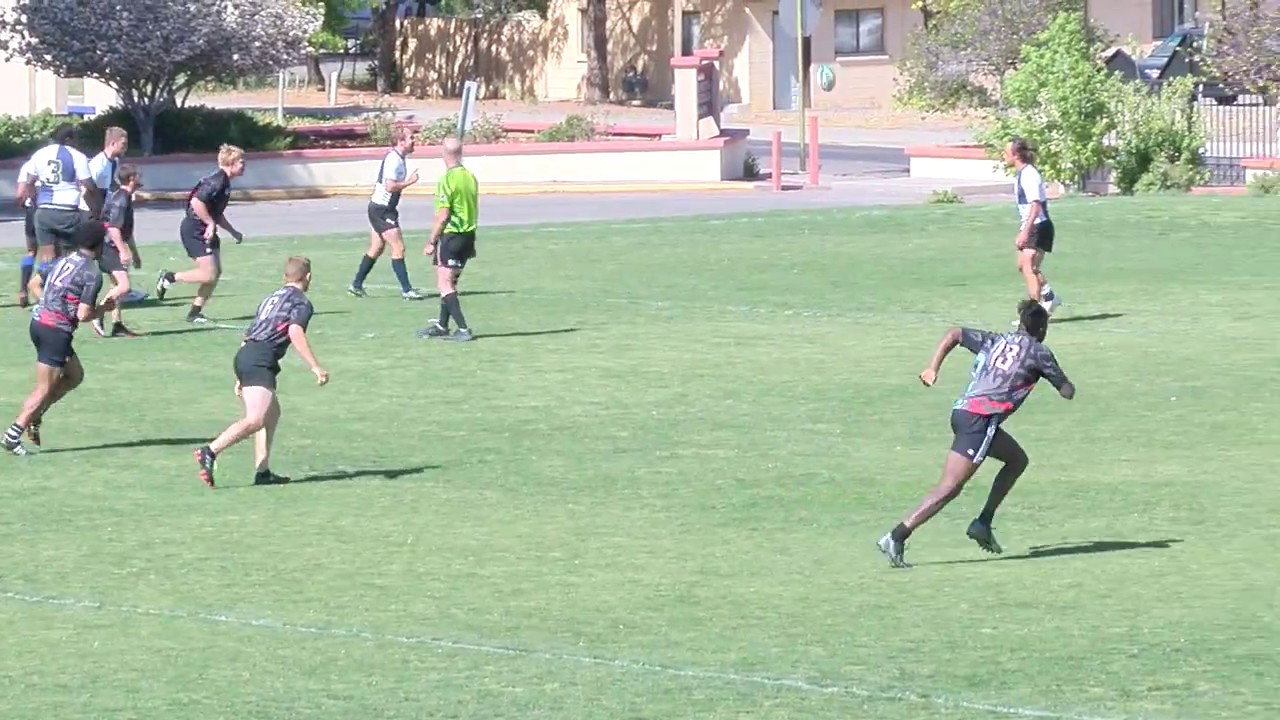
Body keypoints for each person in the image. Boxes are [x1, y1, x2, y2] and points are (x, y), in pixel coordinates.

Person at [876, 300, 1076, 569]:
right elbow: (1067, 391)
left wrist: (932, 368)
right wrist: (1062, 382)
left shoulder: (997, 340)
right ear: (1040, 327)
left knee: (1017, 460)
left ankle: (983, 522)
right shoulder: (1039, 353)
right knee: (949, 487)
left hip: (962, 412)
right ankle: (896, 536)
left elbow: (954, 333)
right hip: (979, 422)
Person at [193, 256, 329, 488]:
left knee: (271, 414)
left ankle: (262, 471)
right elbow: (295, 332)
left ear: (284, 277)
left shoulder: (270, 299)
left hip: (246, 355)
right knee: (255, 419)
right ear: (308, 277)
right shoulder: (301, 303)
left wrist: (240, 376)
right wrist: (315, 366)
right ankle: (210, 451)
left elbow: (251, 332)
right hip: (260, 359)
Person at [2, 222, 115, 456]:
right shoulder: (92, 273)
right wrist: (104, 309)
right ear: (98, 243)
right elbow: (83, 314)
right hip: (55, 331)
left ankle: (37, 415)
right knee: (44, 388)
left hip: (38, 324)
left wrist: (49, 305)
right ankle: (13, 435)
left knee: (74, 375)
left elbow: (34, 284)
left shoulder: (61, 260)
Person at [155, 144, 246, 323]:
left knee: (215, 273)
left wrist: (233, 231)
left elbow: (216, 213)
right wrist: (209, 223)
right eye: (242, 162)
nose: (244, 166)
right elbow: (197, 203)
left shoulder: (225, 183)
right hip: (194, 230)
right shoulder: (217, 181)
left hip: (205, 229)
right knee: (208, 275)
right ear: (231, 162)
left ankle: (195, 312)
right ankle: (170, 277)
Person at [347, 127, 425, 300]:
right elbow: (390, 186)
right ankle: (407, 290)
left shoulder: (399, 158)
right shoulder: (394, 160)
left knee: (376, 248)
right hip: (382, 210)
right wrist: (409, 182)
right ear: (401, 141)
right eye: (411, 138)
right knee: (398, 247)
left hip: (382, 208)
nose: (414, 141)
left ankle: (356, 285)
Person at [418, 136, 479, 342]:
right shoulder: (470, 177)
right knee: (450, 280)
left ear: (443, 153)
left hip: (452, 236)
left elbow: (443, 215)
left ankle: (463, 329)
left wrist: (431, 241)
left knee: (444, 284)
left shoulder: (447, 180)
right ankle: (442, 325)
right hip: (468, 236)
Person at [24, 124, 94, 301]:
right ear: (69, 139)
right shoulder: (76, 156)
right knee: (70, 258)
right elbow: (88, 184)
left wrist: (33, 200)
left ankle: (45, 294)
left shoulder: (40, 154)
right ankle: (62, 297)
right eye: (76, 138)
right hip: (67, 211)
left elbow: (29, 182)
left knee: (48, 258)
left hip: (44, 212)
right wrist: (97, 203)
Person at [1004, 138, 1061, 315]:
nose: (1003, 156)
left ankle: (1033, 315)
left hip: (1038, 226)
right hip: (1033, 225)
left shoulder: (1029, 174)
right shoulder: (1021, 173)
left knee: (1029, 268)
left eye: (1006, 152)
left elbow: (1035, 206)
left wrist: (1025, 231)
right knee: (1024, 266)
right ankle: (1050, 296)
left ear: (1016, 155)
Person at [92, 164, 144, 338]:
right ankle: (97, 314)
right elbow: (113, 229)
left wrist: (135, 253)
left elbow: (126, 231)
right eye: (138, 176)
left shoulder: (125, 197)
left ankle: (117, 325)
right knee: (124, 286)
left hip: (111, 246)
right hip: (108, 247)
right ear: (131, 179)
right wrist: (123, 251)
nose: (140, 179)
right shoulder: (121, 199)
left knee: (115, 285)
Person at [14, 157, 38, 308]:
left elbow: (20, 192)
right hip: (53, 210)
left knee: (31, 251)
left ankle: (23, 290)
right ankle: (42, 288)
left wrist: (21, 203)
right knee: (51, 254)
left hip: (32, 210)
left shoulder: (29, 165)